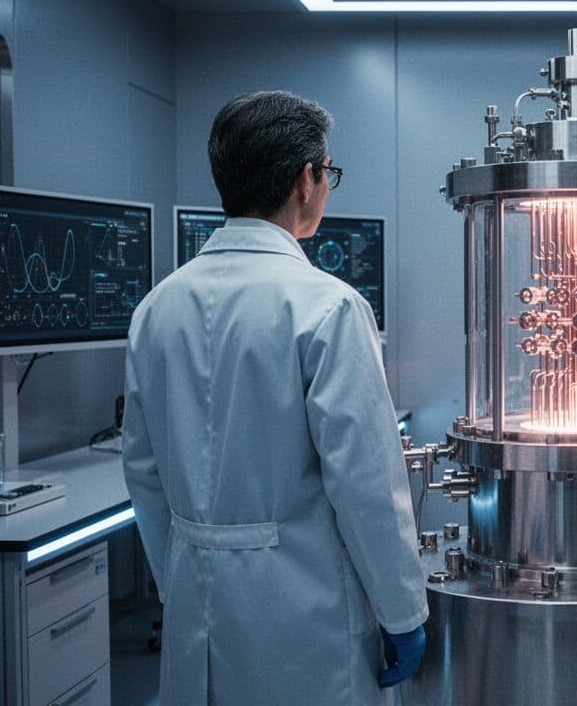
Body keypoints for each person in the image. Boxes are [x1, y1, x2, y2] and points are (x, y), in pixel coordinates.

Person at [122, 91, 429, 704]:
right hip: (305, 621)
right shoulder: (328, 307)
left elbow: (143, 473)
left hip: (196, 618)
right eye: (328, 173)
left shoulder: (157, 309)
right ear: (305, 179)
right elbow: (366, 483)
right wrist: (403, 611)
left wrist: (184, 579)